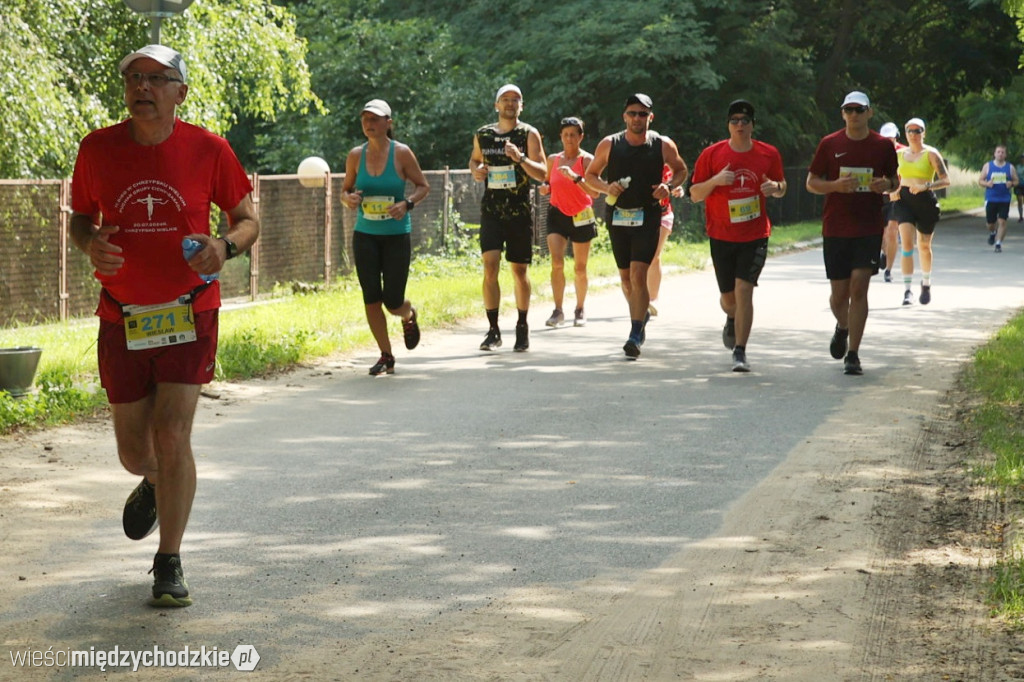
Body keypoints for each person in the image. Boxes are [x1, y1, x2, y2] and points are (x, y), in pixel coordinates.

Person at [69, 45, 260, 606]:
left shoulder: (209, 149)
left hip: (189, 308)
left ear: (181, 91)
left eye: (157, 78)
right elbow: (82, 217)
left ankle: (169, 560)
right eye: (133, 77)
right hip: (123, 315)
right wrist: (88, 242)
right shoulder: (97, 148)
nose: (142, 87)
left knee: (173, 433)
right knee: (135, 450)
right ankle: (152, 481)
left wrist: (224, 247)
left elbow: (247, 219)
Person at [585, 93, 688, 359]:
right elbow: (590, 175)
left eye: (643, 114)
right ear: (625, 116)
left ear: (650, 118)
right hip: (618, 217)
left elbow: (681, 170)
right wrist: (607, 187)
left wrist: (669, 186)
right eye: (632, 113)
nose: (637, 118)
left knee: (638, 274)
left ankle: (634, 334)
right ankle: (640, 318)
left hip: (648, 216)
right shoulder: (610, 144)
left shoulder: (662, 144)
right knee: (625, 278)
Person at [689, 99, 786, 372]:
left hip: (755, 234)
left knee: (745, 290)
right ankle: (732, 318)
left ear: (753, 125)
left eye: (745, 120)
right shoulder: (711, 154)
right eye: (735, 120)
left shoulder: (768, 154)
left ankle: (741, 351)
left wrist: (775, 187)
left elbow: (782, 186)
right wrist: (716, 181)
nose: (740, 125)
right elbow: (695, 194)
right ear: (728, 125)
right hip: (721, 234)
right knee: (729, 299)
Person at [806, 91, 898, 376]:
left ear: (869, 112)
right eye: (849, 110)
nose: (854, 115)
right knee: (838, 295)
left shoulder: (882, 146)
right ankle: (842, 327)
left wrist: (884, 184)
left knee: (859, 288)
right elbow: (811, 182)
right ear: (843, 114)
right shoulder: (829, 143)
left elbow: (895, 181)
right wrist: (835, 186)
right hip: (836, 226)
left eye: (859, 110)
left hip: (868, 227)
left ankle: (854, 355)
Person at [341, 99, 430, 375]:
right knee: (371, 297)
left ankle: (408, 314)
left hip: (395, 236)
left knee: (392, 301)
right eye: (365, 119)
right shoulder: (356, 155)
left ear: (388, 123)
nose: (369, 124)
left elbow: (422, 186)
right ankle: (386, 355)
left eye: (375, 119)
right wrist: (349, 199)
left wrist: (407, 204)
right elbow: (344, 191)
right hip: (365, 234)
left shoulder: (402, 153)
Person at [470, 84, 547, 352]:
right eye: (505, 99)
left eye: (516, 99)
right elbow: (474, 161)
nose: (510, 104)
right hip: (491, 210)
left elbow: (542, 173)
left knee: (519, 270)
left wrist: (521, 157)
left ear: (521, 106)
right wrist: (477, 170)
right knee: (490, 266)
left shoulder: (528, 133)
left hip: (519, 212)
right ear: (496, 105)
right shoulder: (483, 134)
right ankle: (493, 330)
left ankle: (522, 326)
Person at [538, 117, 599, 328]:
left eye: (574, 134)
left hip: (582, 215)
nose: (570, 138)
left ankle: (580, 309)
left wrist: (575, 178)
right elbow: (547, 182)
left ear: (581, 137)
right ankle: (558, 310)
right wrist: (545, 187)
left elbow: (595, 193)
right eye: (566, 134)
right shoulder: (552, 160)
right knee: (556, 262)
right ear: (560, 137)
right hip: (557, 214)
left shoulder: (588, 161)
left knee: (580, 268)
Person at [892, 117, 950, 305]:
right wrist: (891, 190)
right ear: (906, 133)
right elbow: (889, 178)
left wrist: (927, 186)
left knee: (924, 246)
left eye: (918, 131)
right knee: (907, 245)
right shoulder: (899, 155)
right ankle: (907, 291)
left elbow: (945, 180)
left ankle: (926, 283)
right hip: (904, 201)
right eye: (910, 131)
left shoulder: (931, 154)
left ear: (923, 133)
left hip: (925, 201)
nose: (914, 134)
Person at [646, 164, 685, 318]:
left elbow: (674, 185)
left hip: (663, 215)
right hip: (642, 216)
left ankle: (653, 299)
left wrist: (678, 189)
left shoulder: (667, 167)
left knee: (654, 255)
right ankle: (640, 297)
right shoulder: (639, 163)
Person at [979, 145, 1019, 252]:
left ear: (1005, 155)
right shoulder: (988, 166)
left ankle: (998, 243)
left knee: (1002, 221)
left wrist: (1011, 183)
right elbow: (980, 181)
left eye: (1002, 152)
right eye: (998, 152)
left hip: (1004, 199)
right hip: (991, 198)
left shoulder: (1010, 167)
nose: (1000, 154)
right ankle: (992, 233)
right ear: (994, 154)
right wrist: (987, 184)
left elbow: (1016, 181)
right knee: (990, 223)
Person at [879, 122, 904, 283]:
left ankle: (888, 270)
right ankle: (883, 252)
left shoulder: (904, 152)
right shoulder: (874, 150)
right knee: (881, 232)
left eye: (891, 138)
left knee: (892, 231)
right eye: (885, 139)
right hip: (879, 195)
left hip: (896, 194)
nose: (889, 142)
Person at [1015, 152, 1024, 222]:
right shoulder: (1017, 167)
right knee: (1019, 200)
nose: (1023, 159)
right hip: (1019, 185)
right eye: (1022, 158)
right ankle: (1020, 216)